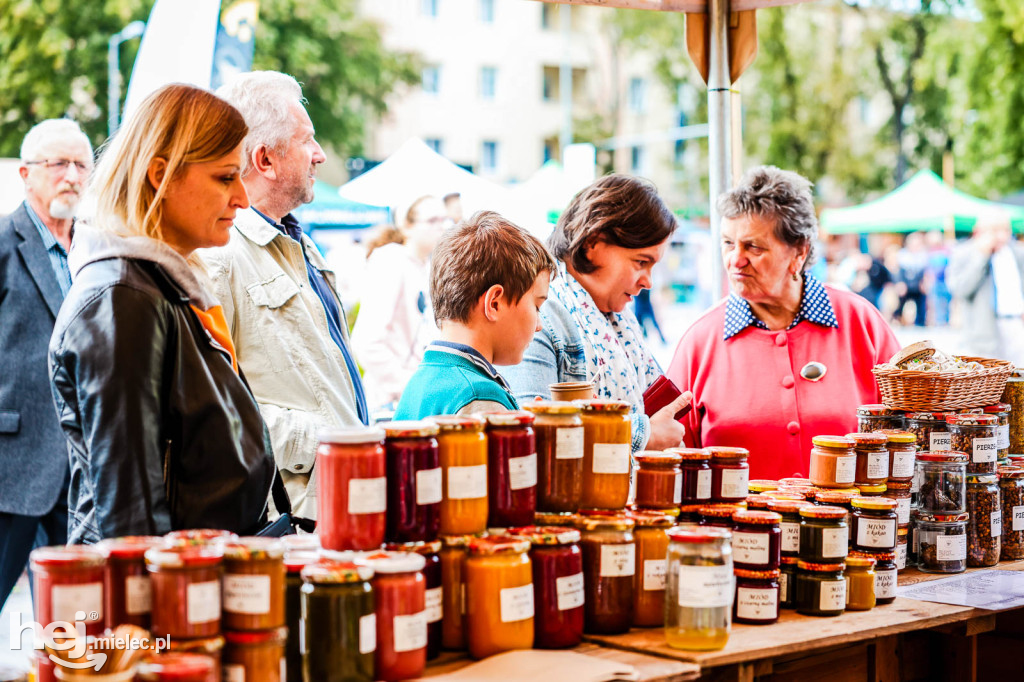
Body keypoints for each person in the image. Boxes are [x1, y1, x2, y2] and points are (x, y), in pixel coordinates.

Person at [48, 84, 275, 544]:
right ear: (161, 175)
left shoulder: (159, 283)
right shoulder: (123, 296)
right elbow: (129, 510)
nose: (242, 199)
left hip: (200, 573)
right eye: (225, 177)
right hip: (169, 590)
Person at [200, 71, 368, 519]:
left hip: (333, 498)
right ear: (266, 160)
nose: (320, 154)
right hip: (289, 518)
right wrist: (323, 439)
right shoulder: (221, 256)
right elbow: (212, 414)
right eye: (307, 140)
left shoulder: (299, 243)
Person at [667, 166, 901, 480]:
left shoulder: (861, 324)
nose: (735, 260)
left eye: (754, 247)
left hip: (851, 526)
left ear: (799, 252)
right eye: (727, 243)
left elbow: (906, 432)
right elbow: (673, 458)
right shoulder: (700, 341)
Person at [503, 174, 690, 453]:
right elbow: (531, 438)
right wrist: (643, 436)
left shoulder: (617, 318)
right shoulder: (540, 313)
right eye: (641, 262)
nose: (648, 281)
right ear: (592, 245)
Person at [0, 119, 91, 607]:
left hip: (81, 467)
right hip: (10, 462)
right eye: (58, 164)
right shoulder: (2, 244)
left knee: (71, 612)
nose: (72, 176)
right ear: (25, 174)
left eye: (81, 164)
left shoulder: (96, 252)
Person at [394, 211, 556, 419]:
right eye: (537, 306)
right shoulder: (480, 399)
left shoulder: (420, 381)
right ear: (494, 303)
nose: (539, 325)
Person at [351, 194, 449, 411]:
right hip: (390, 403)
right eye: (433, 221)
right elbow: (366, 341)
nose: (442, 227)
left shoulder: (427, 266)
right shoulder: (390, 261)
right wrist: (409, 386)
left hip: (413, 397)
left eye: (444, 220)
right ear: (406, 226)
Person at [948, 211, 1024, 365]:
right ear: (980, 231)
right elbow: (961, 289)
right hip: (983, 329)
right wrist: (981, 256)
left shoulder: (1017, 252)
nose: (1001, 236)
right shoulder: (964, 253)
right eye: (995, 230)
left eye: (1006, 230)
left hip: (1015, 325)